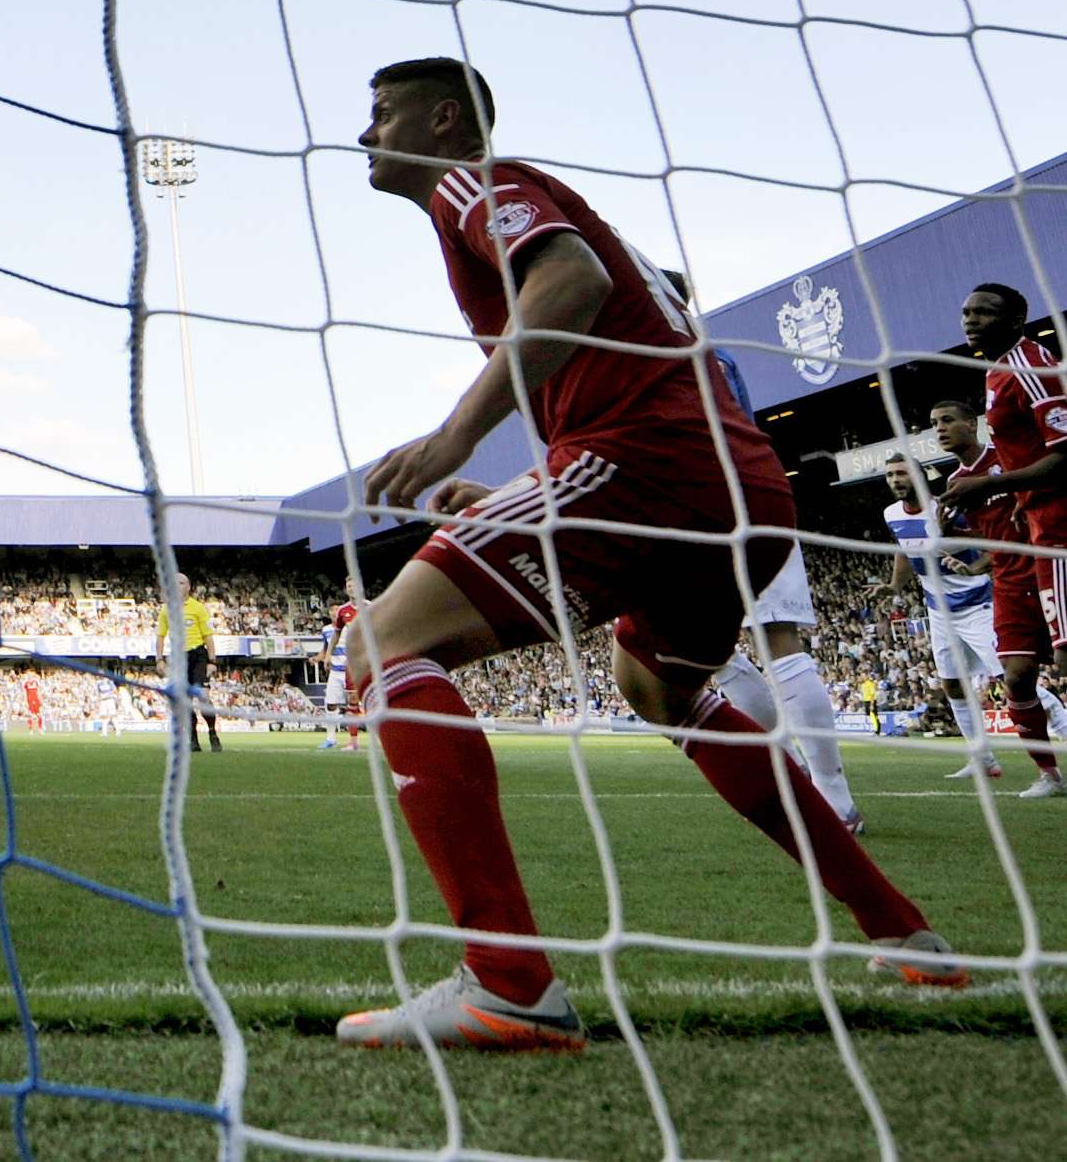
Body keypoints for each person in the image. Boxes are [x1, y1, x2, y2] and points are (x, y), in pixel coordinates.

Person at [334, 58, 962, 1050]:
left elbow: (570, 281)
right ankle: (902, 928)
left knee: (379, 645)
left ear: (444, 119)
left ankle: (507, 984)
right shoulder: (518, 212)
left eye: (381, 115)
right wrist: (505, 493)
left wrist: (454, 439)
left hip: (647, 463)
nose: (364, 136)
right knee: (657, 690)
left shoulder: (475, 183)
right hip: (732, 487)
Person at [661, 272, 857, 829]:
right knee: (725, 653)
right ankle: (807, 782)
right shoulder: (713, 353)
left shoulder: (670, 354)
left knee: (767, 645)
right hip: (742, 496)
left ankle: (831, 797)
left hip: (718, 503)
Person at [941, 291, 1067, 798]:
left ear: (1016, 319)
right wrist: (1020, 494)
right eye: (966, 311)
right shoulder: (997, 372)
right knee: (1016, 675)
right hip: (1034, 528)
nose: (971, 320)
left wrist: (994, 486)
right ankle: (1049, 775)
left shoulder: (1032, 364)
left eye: (984, 312)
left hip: (1059, 527)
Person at [886, 436, 1056, 779]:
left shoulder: (947, 506)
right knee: (951, 684)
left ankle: (1061, 733)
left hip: (977, 605)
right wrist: (893, 585)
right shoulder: (890, 514)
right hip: (939, 612)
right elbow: (904, 550)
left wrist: (976, 566)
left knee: (1015, 680)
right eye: (890, 476)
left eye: (901, 473)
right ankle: (983, 759)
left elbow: (985, 540)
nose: (895, 481)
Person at [158, 573, 221, 752]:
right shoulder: (166, 609)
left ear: (188, 587)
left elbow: (208, 636)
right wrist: (159, 659)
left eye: (181, 582)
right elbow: (160, 636)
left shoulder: (198, 608)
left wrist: (212, 661)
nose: (177, 585)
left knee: (204, 697)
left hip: (198, 656)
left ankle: (212, 732)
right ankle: (193, 738)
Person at [316, 594, 368, 754]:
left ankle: (355, 740)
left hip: (351, 669)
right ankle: (331, 739)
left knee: (354, 704)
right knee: (330, 704)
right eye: (331, 610)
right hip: (335, 671)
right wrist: (320, 658)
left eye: (337, 609)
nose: (334, 612)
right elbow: (325, 650)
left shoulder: (348, 626)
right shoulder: (326, 630)